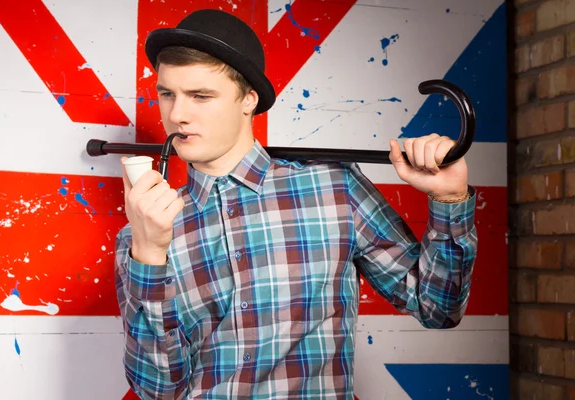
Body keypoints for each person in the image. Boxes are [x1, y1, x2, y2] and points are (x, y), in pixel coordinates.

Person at [114, 9, 478, 400]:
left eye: (201, 96)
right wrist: (149, 254)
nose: (177, 115)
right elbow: (157, 391)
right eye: (167, 94)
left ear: (248, 99)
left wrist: (449, 198)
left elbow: (438, 308)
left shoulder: (333, 187)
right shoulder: (143, 232)